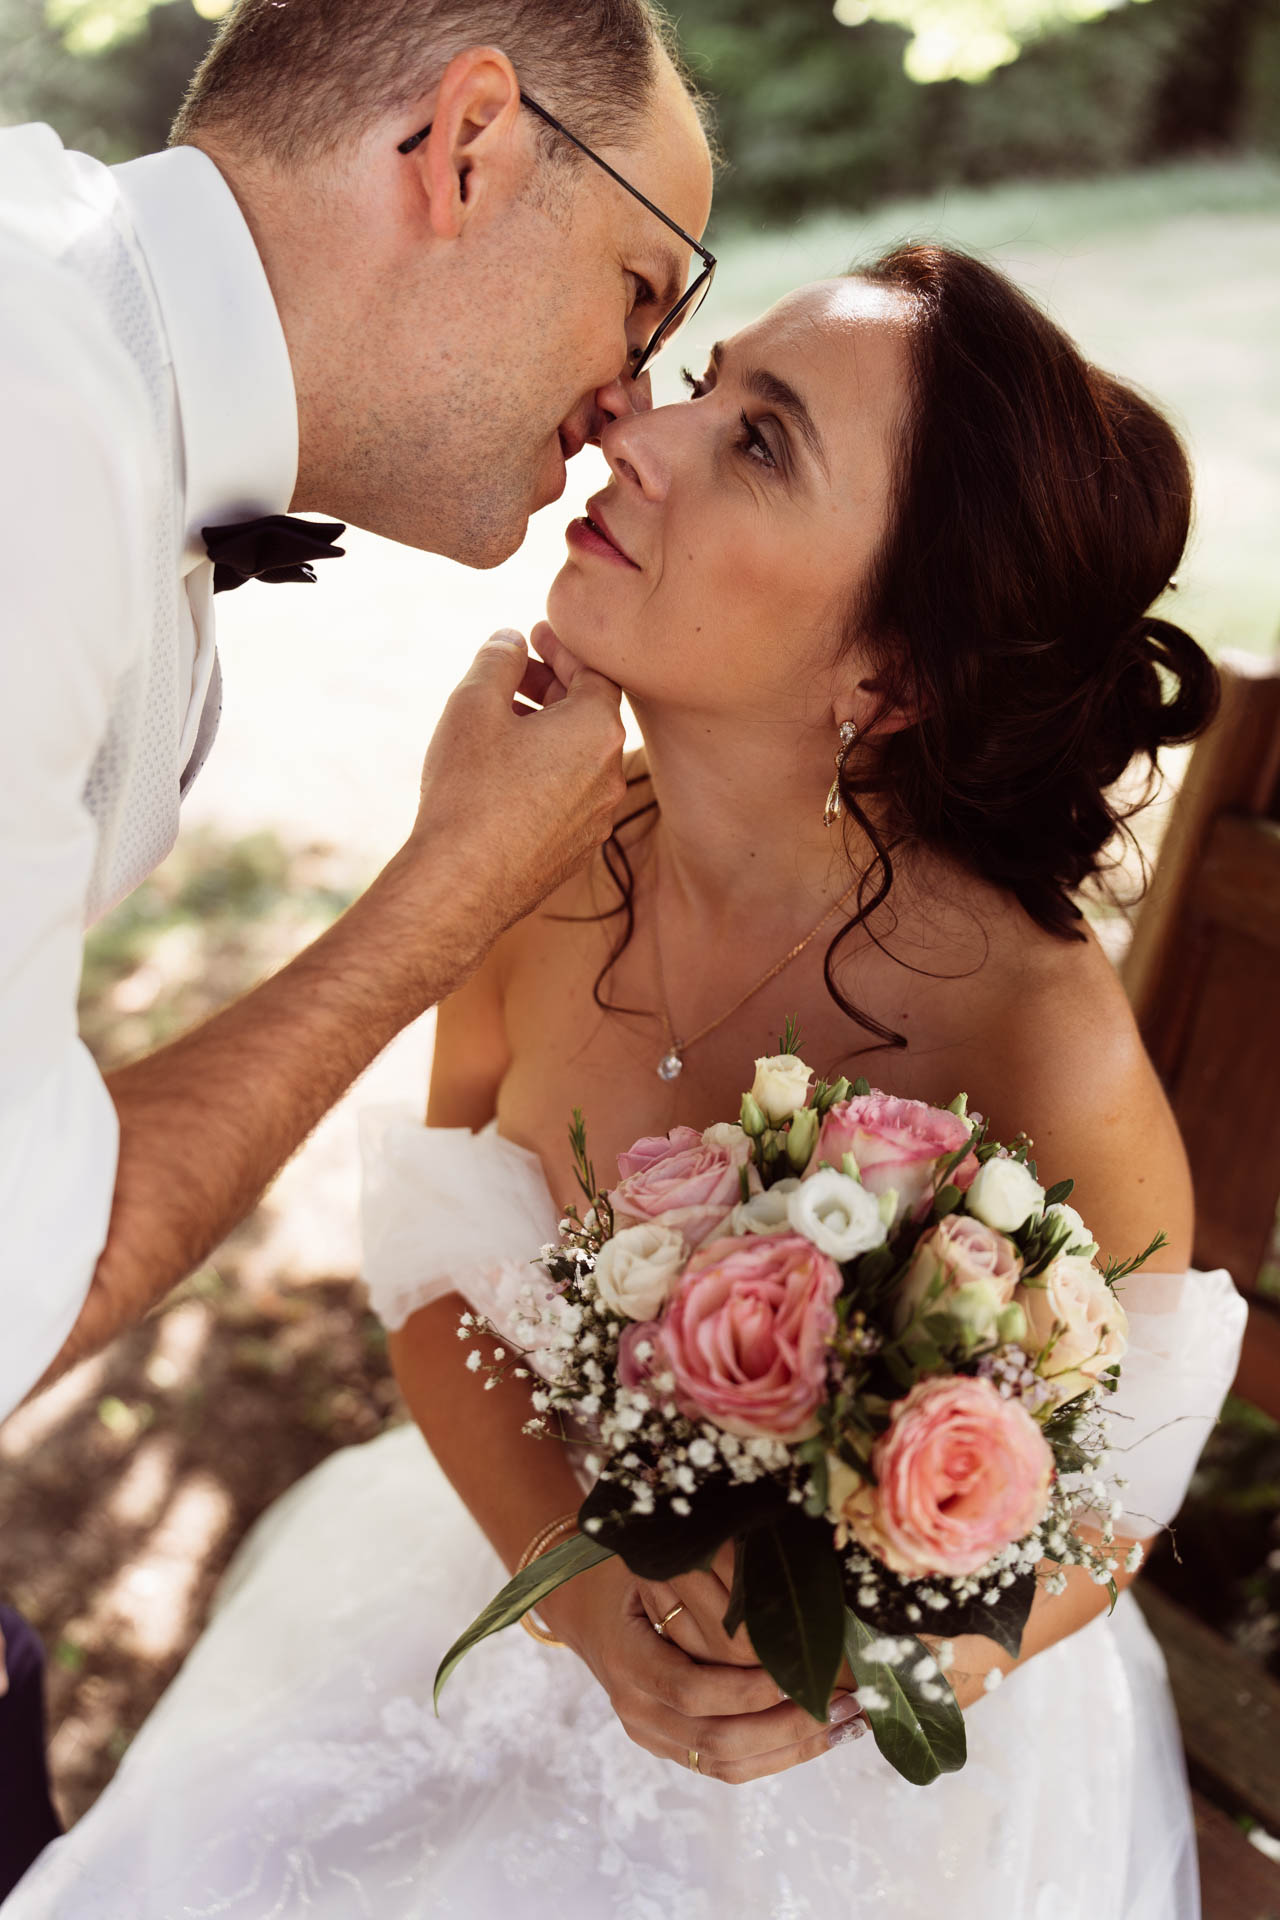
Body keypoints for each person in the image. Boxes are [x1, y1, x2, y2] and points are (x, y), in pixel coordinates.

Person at [2, 248, 1245, 1918]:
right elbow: (444, 1263)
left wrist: (892, 1663)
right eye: (712, 380)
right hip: (521, 1575)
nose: (637, 431)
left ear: (886, 681)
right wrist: (569, 1594)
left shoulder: (1028, 1031)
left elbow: (1116, 1490)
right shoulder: (540, 858)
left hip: (852, 1747)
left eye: (759, 442)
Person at [0, 0, 712, 1887]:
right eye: (648, 289)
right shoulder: (30, 440)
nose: (641, 391)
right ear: (468, 145)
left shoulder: (76, 334)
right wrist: (451, 893)